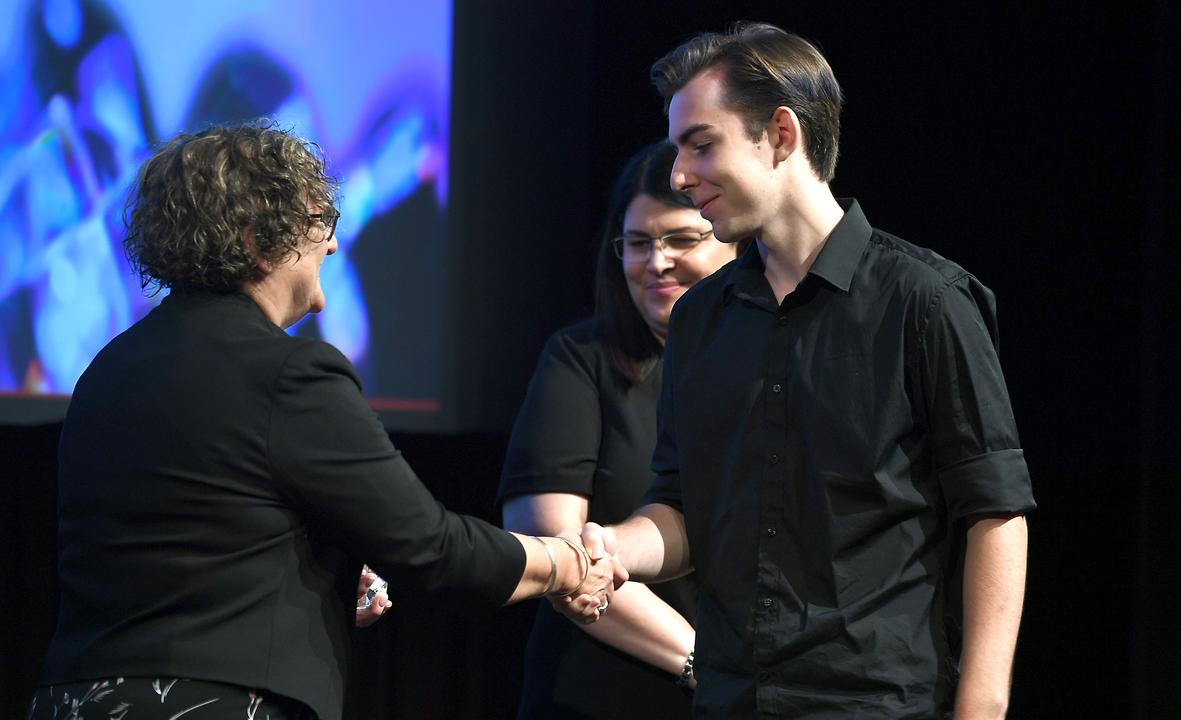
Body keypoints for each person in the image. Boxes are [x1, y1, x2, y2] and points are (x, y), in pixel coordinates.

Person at [29, 121, 621, 720]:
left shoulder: (107, 369)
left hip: (78, 699)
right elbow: (432, 549)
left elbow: (193, 542)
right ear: (260, 240)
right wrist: (564, 563)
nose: (332, 246)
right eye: (319, 223)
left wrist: (321, 584)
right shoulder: (291, 371)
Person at [568, 22, 1036, 719]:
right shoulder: (701, 319)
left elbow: (994, 510)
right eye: (677, 151)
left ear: (782, 135)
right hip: (732, 699)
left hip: (877, 703)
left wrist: (982, 706)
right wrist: (617, 550)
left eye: (701, 144)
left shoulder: (924, 301)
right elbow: (681, 510)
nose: (678, 175)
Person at [498, 140, 741, 719]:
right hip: (604, 693)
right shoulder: (580, 359)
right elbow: (554, 547)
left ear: (736, 242)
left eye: (681, 239)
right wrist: (702, 665)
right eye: (637, 243)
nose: (655, 262)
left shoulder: (770, 363)